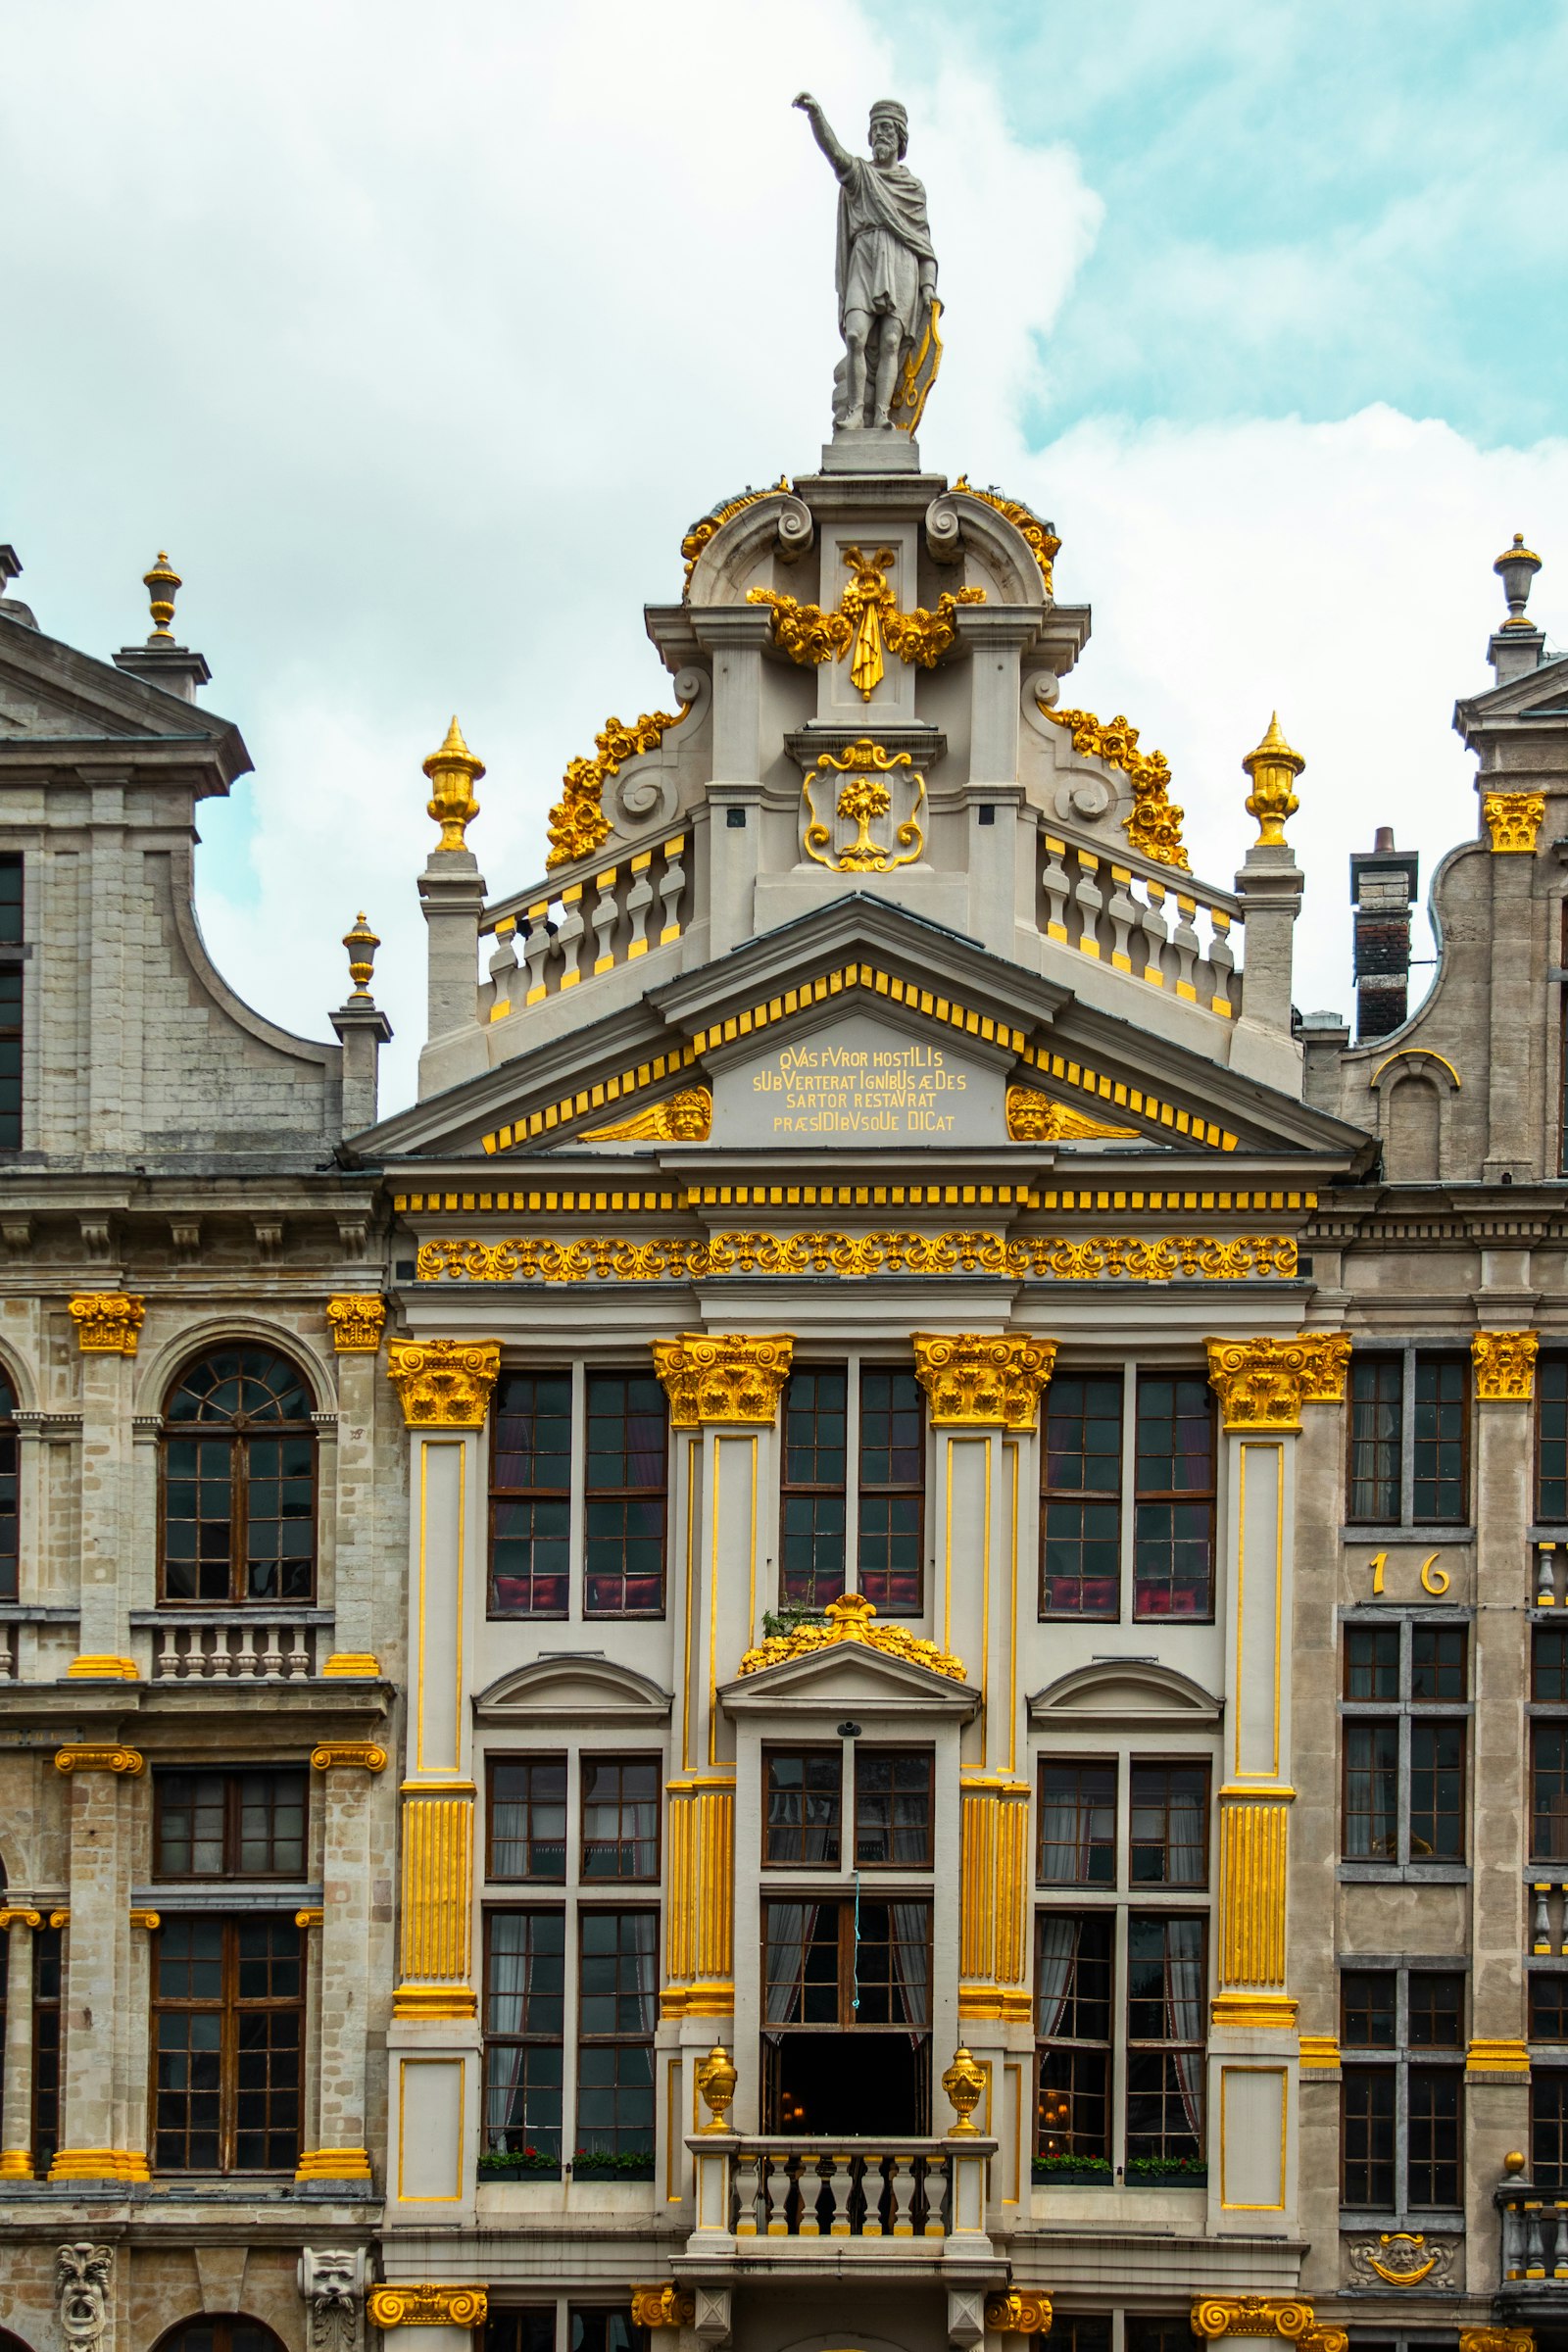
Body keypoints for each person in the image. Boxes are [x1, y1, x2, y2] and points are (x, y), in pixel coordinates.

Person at [794, 92, 939, 433]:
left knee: (890, 342)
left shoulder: (913, 188)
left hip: (901, 263)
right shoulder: (860, 174)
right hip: (864, 257)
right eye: (876, 129)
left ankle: (883, 413)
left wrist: (928, 287)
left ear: (900, 137)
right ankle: (856, 410)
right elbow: (835, 154)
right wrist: (816, 115)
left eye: (887, 128)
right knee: (856, 335)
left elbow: (924, 244)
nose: (880, 134)